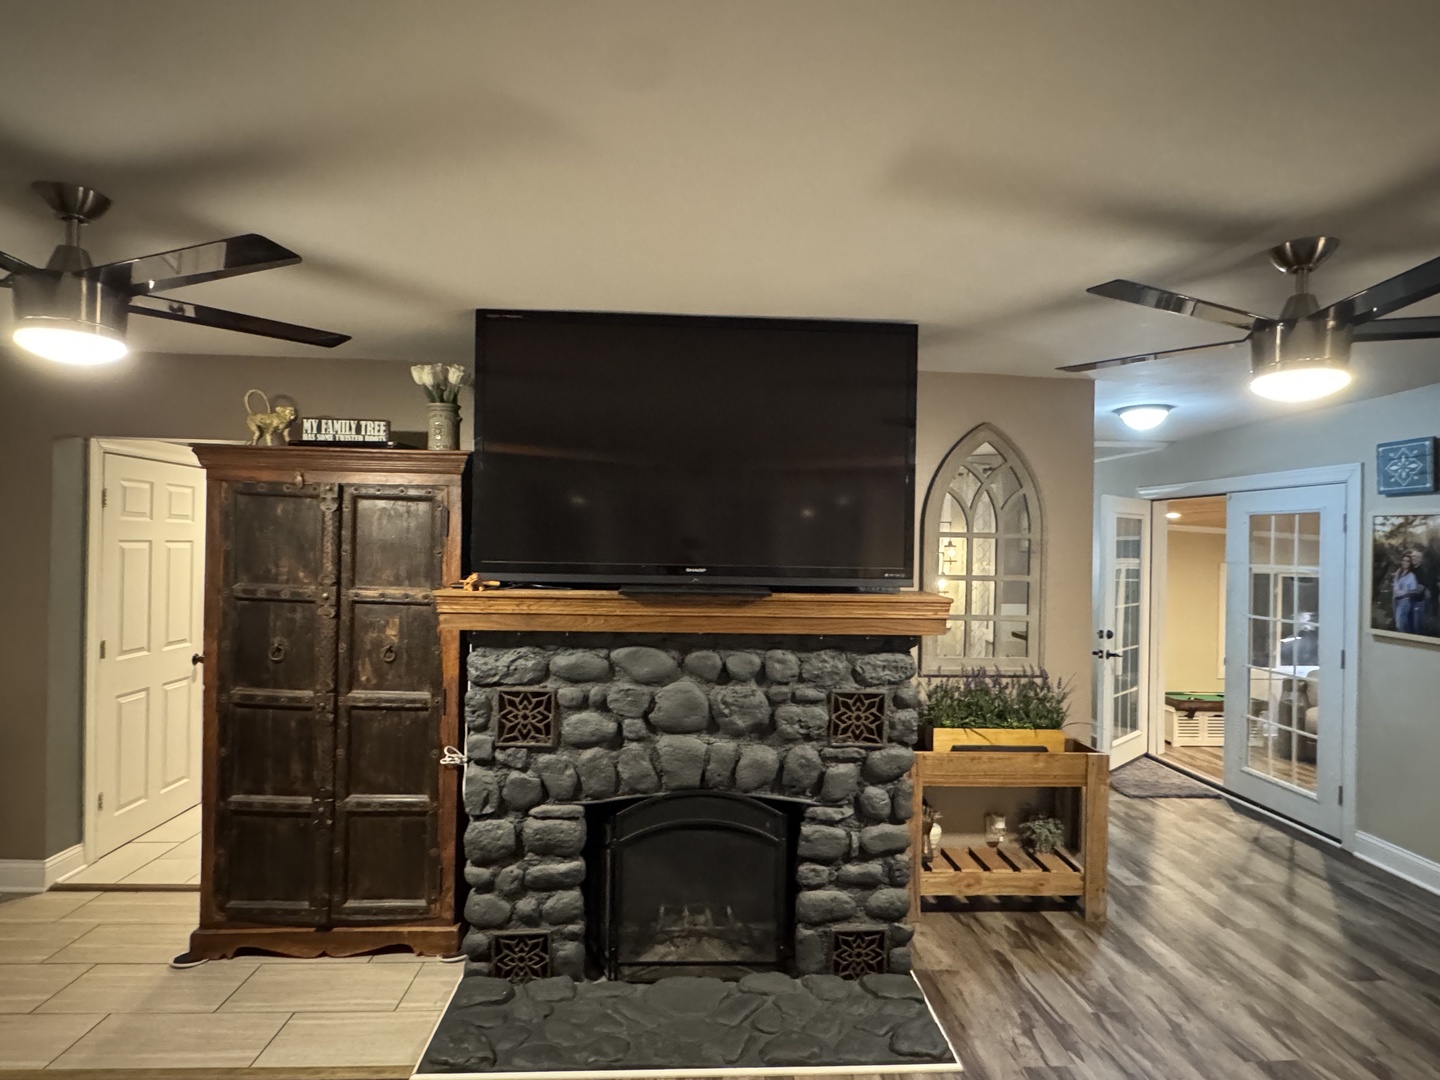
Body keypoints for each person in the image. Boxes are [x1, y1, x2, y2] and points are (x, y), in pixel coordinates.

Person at [1392, 552, 1426, 634]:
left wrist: (1403, 593)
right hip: (1396, 600)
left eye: (1407, 561)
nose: (1405, 562)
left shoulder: (1412, 575)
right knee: (1400, 623)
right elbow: (1395, 584)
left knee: (1402, 624)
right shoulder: (1399, 571)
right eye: (1403, 560)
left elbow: (1417, 590)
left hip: (1408, 601)